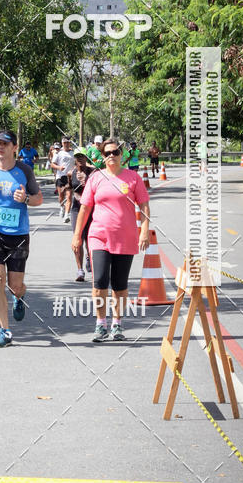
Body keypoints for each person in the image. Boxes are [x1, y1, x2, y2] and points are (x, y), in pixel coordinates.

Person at [71, 138, 150, 342]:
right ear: (102, 157)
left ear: (121, 154)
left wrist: (144, 231)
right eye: (107, 153)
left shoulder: (133, 178)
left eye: (115, 152)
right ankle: (100, 324)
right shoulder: (96, 178)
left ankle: (117, 323)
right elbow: (85, 208)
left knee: (119, 285)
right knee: (99, 283)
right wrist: (77, 235)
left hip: (126, 237)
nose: (111, 156)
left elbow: (144, 205)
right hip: (99, 236)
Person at [0, 130, 43, 347]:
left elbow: (38, 199)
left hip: (18, 234)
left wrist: (26, 198)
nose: (0, 147)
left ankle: (19, 296)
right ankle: (5, 330)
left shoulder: (24, 170)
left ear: (15, 147)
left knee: (15, 285)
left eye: (5, 144)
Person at [69, 148, 96, 281]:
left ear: (87, 157)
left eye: (82, 156)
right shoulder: (71, 173)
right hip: (76, 208)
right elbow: (69, 189)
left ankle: (89, 259)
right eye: (77, 156)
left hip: (91, 209)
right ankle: (80, 270)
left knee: (90, 239)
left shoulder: (94, 173)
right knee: (78, 239)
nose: (80, 158)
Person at [51, 136, 75, 222]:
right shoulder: (58, 153)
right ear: (62, 143)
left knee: (69, 196)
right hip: (60, 177)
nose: (66, 144)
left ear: (70, 143)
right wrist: (59, 167)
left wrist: (73, 170)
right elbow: (52, 164)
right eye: (65, 143)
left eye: (68, 142)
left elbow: (76, 164)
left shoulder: (73, 153)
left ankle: (66, 215)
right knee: (61, 195)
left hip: (69, 177)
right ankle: (62, 207)